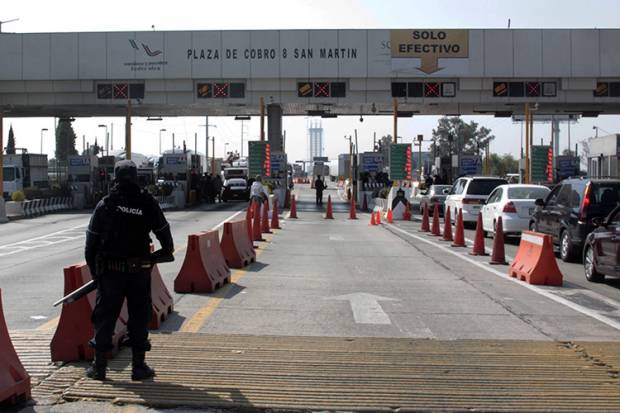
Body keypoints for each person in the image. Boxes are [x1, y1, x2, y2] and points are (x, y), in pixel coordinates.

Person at [84, 160, 174, 381]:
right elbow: (167, 244)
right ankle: (138, 366)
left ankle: (100, 367)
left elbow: (90, 245)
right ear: (137, 178)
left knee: (105, 317)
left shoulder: (105, 205)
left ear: (114, 178)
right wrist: (151, 259)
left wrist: (98, 274)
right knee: (139, 317)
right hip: (139, 273)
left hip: (111, 274)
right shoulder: (148, 203)